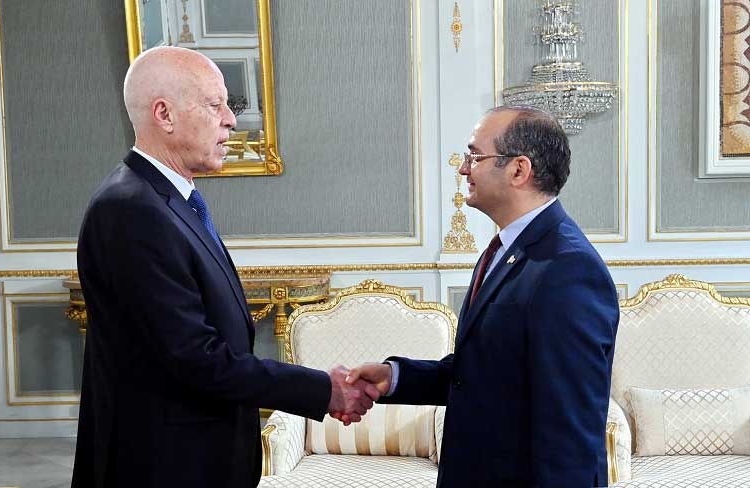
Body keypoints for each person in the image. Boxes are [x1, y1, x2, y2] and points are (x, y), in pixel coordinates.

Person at [71, 46, 378, 488]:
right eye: (215, 105)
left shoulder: (166, 200)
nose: (231, 120)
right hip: (164, 466)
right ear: (164, 114)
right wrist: (323, 389)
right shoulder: (131, 210)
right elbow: (194, 357)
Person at [346, 106, 620, 487]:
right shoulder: (505, 250)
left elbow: (570, 434)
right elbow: (481, 374)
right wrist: (395, 377)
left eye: (475, 156)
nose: (463, 169)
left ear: (519, 170)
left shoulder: (568, 268)